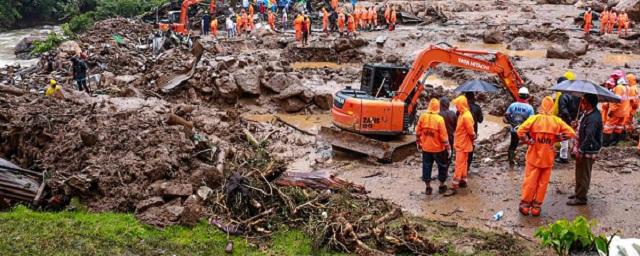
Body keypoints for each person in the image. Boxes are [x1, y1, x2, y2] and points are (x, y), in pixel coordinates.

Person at [517, 96, 575, 216]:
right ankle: (536, 208)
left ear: (542, 106)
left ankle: (525, 205)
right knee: (543, 183)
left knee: (530, 181)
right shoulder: (557, 121)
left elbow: (520, 131)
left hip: (533, 156)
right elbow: (571, 133)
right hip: (548, 158)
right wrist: (556, 138)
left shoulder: (535, 119)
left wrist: (528, 141)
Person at [567, 94, 602, 206]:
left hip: (588, 149)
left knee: (584, 173)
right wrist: (577, 125)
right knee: (579, 171)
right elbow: (583, 128)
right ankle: (578, 192)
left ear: (589, 104)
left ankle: (581, 198)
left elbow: (590, 136)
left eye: (583, 102)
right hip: (583, 147)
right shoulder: (587, 114)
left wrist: (581, 150)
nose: (581, 104)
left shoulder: (594, 117)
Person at [416, 99, 451, 195]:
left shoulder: (423, 117)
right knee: (442, 166)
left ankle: (428, 187)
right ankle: (441, 185)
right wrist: (448, 148)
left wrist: (419, 142)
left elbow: (418, 131)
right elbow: (444, 136)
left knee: (426, 166)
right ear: (438, 107)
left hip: (426, 148)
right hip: (438, 149)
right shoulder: (439, 119)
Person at [444, 95, 475, 196]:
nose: (456, 107)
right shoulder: (463, 114)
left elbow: (471, 132)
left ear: (461, 105)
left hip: (462, 144)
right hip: (462, 143)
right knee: (464, 163)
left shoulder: (466, 116)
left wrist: (473, 137)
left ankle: (454, 186)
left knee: (459, 164)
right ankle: (463, 180)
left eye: (457, 105)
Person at [504, 87, 535, 167]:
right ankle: (530, 159)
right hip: (525, 131)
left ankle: (511, 161)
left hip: (514, 130)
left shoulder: (513, 105)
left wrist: (512, 123)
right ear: (527, 96)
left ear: (519, 95)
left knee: (512, 145)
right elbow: (531, 121)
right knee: (530, 144)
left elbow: (506, 116)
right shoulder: (529, 108)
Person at [604, 77, 631, 146]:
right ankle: (614, 142)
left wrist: (611, 111)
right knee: (618, 127)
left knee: (608, 127)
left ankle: (605, 143)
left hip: (616, 112)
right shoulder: (627, 88)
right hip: (624, 111)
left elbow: (616, 101)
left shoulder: (619, 88)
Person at [464, 92, 483, 170]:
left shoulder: (462, 108)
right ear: (473, 98)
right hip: (473, 132)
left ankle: (462, 165)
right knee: (470, 149)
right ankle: (467, 166)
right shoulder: (477, 107)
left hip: (462, 133)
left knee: (463, 149)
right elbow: (480, 120)